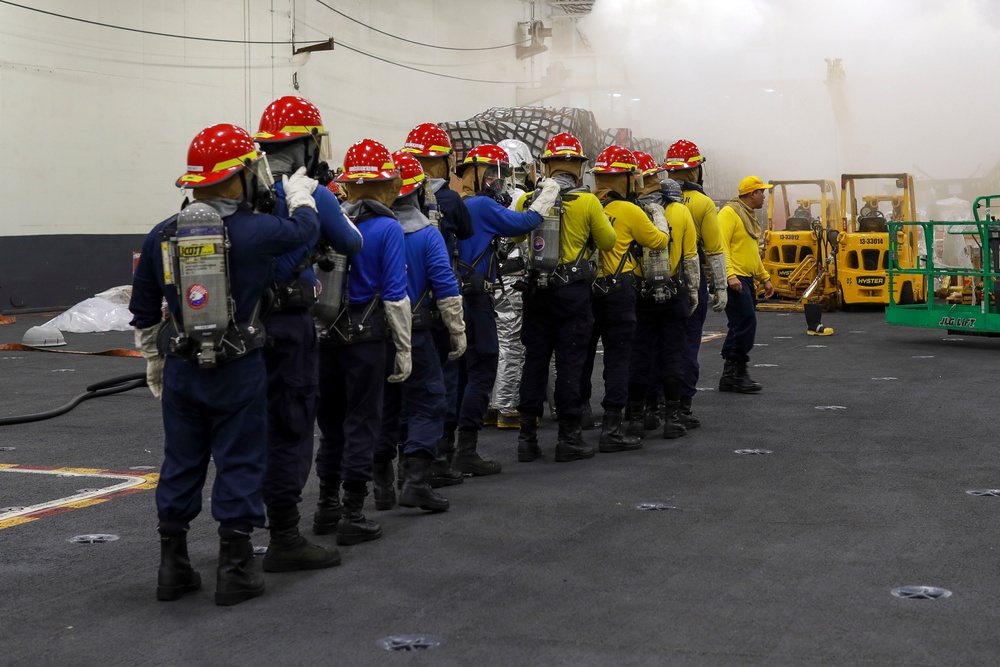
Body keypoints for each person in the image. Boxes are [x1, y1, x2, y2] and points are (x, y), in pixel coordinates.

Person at [130, 123, 320, 605]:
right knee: (239, 458)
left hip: (182, 370)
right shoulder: (256, 231)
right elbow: (306, 232)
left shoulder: (161, 236)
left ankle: (172, 567)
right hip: (239, 367)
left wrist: (155, 358)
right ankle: (235, 571)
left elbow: (145, 310)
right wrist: (300, 195)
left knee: (181, 460)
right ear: (236, 178)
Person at [252, 96, 362, 573]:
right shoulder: (311, 194)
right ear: (306, 146)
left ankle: (228, 546)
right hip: (290, 327)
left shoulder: (242, 187)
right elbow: (351, 243)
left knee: (243, 431)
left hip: (242, 328)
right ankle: (285, 536)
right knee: (292, 426)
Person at [312, 139, 410, 546]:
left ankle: (326, 507)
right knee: (362, 422)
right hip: (367, 342)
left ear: (348, 186)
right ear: (388, 187)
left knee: (331, 426)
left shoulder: (327, 222)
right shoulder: (388, 228)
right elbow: (395, 295)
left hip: (324, 337)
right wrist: (404, 349)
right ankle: (354, 512)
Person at [372, 152, 466, 513]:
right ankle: (415, 481)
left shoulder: (362, 230)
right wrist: (458, 333)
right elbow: (445, 285)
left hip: (374, 334)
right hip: (417, 332)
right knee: (429, 401)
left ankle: (381, 487)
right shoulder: (427, 234)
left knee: (385, 406)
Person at [516, 133, 617, 463]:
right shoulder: (587, 202)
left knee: (535, 363)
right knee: (570, 364)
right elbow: (607, 241)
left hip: (534, 291)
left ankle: (527, 439)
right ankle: (568, 437)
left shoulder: (529, 200)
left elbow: (514, 231)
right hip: (571, 294)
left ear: (547, 164)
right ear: (579, 167)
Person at [454, 143, 553, 475]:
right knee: (485, 365)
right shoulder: (482, 205)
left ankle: (442, 452)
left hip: (453, 296)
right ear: (478, 173)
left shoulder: (455, 204)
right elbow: (526, 222)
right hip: (476, 297)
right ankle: (467, 449)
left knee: (458, 372)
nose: (499, 180)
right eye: (493, 173)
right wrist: (548, 194)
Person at [399, 123, 472, 487]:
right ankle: (434, 464)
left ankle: (386, 479)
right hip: (429, 317)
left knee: (395, 396)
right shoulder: (444, 209)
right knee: (436, 390)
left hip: (380, 321)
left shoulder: (370, 222)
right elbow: (449, 271)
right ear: (445, 162)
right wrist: (457, 328)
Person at [584, 146, 669, 452]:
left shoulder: (586, 204)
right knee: (619, 359)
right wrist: (658, 216)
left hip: (584, 290)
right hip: (618, 293)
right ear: (626, 179)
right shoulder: (631, 211)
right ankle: (611, 428)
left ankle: (577, 424)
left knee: (580, 357)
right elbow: (659, 241)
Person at [661, 140, 728, 428]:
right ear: (695, 171)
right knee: (687, 344)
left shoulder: (653, 199)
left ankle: (651, 407)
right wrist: (721, 287)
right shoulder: (702, 203)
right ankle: (682, 408)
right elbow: (714, 249)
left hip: (652, 280)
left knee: (654, 344)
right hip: (689, 280)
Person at [631, 175, 700, 439]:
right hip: (674, 292)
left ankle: (640, 416)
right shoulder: (681, 210)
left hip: (639, 293)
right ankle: (672, 418)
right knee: (672, 354)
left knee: (640, 354)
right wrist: (692, 292)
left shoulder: (630, 209)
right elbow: (690, 257)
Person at [488, 138, 535, 430]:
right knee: (513, 345)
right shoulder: (520, 197)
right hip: (514, 277)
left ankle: (489, 404)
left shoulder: (485, 198)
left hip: (491, 277)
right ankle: (505, 405)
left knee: (493, 344)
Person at [718, 175, 775, 393]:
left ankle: (733, 374)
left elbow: (751, 253)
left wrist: (765, 278)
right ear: (752, 194)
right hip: (736, 279)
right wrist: (730, 275)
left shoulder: (748, 216)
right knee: (745, 322)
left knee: (742, 324)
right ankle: (734, 372)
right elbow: (721, 247)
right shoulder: (729, 214)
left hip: (746, 278)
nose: (764, 196)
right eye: (762, 192)